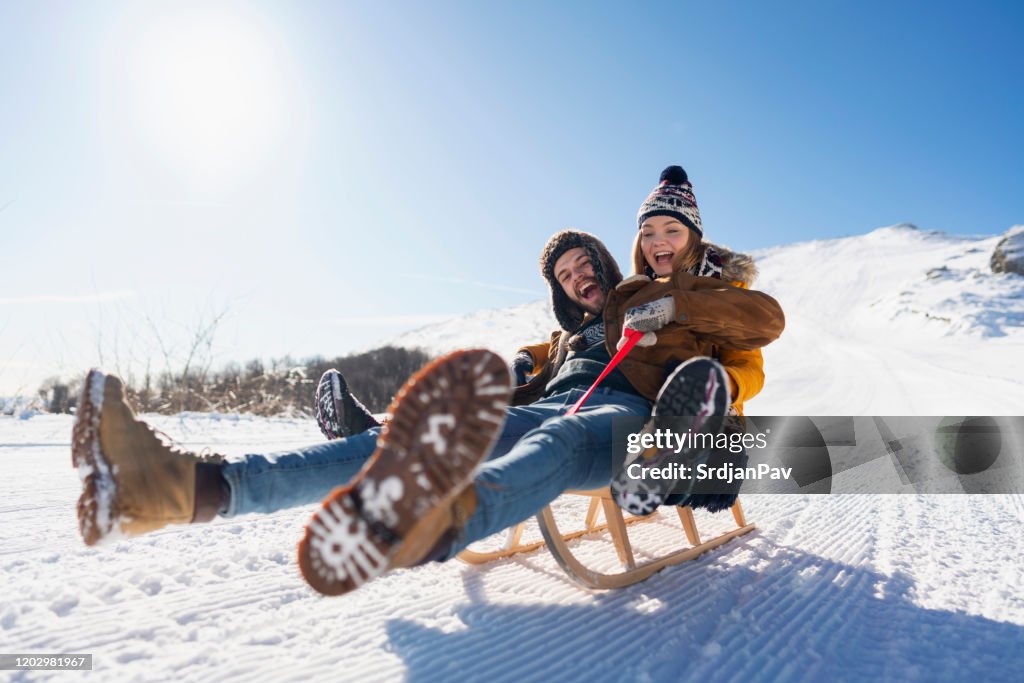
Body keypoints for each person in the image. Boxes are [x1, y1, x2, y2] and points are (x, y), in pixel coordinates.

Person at [72, 167, 784, 598]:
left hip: (636, 420)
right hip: (567, 401)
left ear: (611, 258)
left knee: (569, 435)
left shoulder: (650, 300)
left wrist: (677, 306)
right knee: (424, 435)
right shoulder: (577, 329)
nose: (580, 277)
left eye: (584, 264)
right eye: (565, 275)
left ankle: (439, 520)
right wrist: (513, 377)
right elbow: (530, 370)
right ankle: (178, 487)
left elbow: (758, 318)